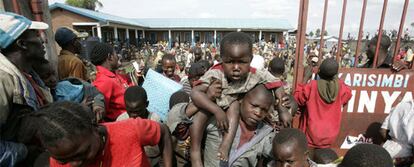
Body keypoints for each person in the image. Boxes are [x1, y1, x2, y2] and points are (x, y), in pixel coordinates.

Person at [189, 32, 289, 166]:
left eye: (242, 62)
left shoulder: (255, 74)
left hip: (231, 107)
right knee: (200, 116)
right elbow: (195, 93)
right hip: (209, 107)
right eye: (230, 62)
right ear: (222, 59)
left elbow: (276, 84)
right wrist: (216, 110)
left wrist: (282, 109)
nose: (236, 68)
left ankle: (226, 144)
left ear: (250, 59)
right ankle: (194, 153)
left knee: (234, 105)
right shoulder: (216, 73)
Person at [29, 101, 173, 167]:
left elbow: (164, 132)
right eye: (64, 161)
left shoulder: (131, 130)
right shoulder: (60, 156)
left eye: (82, 153)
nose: (74, 164)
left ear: (94, 127)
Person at [0, 12, 50, 166]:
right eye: (35, 35)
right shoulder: (3, 79)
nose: (43, 40)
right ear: (22, 44)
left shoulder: (29, 74)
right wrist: (25, 152)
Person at [294, 58, 352, 149]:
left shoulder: (312, 86)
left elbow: (297, 98)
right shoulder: (341, 88)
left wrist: (305, 78)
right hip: (330, 135)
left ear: (319, 72)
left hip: (311, 134)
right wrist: (336, 78)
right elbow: (347, 95)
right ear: (336, 74)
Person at [33, 59, 106, 122]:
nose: (53, 79)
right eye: (46, 77)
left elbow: (94, 93)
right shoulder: (40, 101)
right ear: (36, 79)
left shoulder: (68, 84)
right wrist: (78, 109)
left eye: (53, 74)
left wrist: (98, 105)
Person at [116, 86, 162, 166]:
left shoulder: (154, 120)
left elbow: (162, 147)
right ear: (125, 106)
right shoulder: (121, 121)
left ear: (146, 104)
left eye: (138, 111)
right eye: (130, 111)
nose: (134, 115)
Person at [91, 42, 130, 121]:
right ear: (110, 57)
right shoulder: (104, 81)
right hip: (121, 124)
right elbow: (101, 115)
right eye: (115, 54)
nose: (118, 57)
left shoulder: (113, 74)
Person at [381, 99, 414, 166]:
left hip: (386, 149)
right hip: (405, 156)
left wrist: (393, 141)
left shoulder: (401, 104)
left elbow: (382, 130)